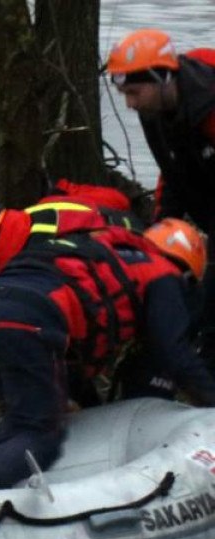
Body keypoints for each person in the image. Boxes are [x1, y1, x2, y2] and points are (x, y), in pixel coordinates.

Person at [0, 196, 215, 491]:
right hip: (32, 323)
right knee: (41, 432)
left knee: (21, 419)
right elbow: (175, 355)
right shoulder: (160, 273)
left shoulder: (84, 252)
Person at [107, 28, 215, 351]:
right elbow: (171, 168)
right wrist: (161, 224)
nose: (129, 103)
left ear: (162, 77)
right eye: (125, 94)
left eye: (135, 92)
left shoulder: (208, 107)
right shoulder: (153, 110)